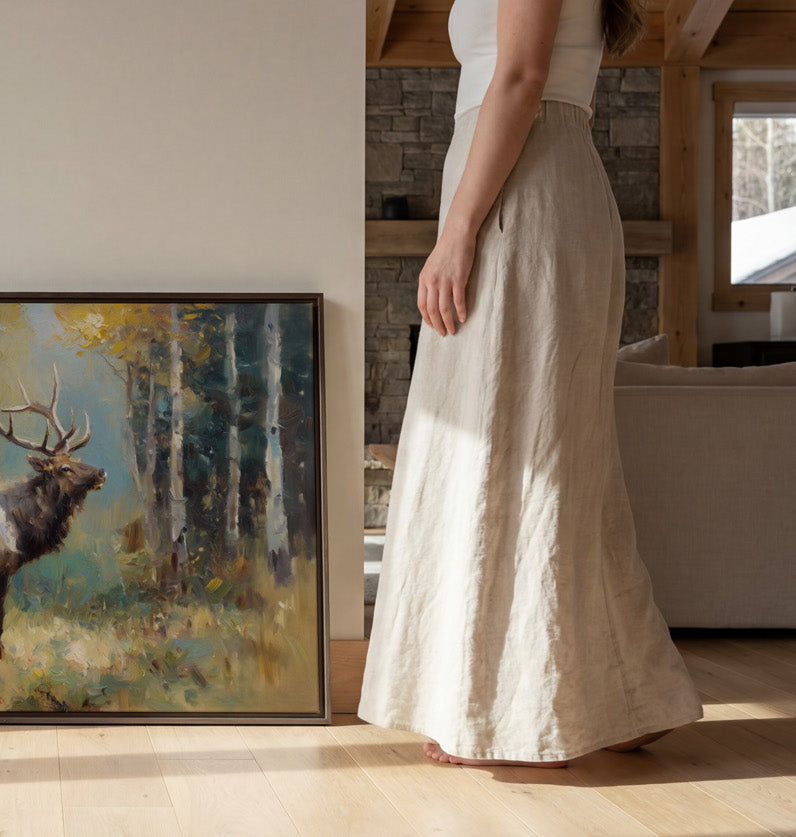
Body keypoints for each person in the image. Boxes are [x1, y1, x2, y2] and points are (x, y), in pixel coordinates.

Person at [356, 0, 705, 768]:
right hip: (531, 184)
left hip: (525, 196)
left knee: (510, 448)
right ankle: (621, 695)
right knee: (542, 450)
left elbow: (518, 77)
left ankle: (497, 706)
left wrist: (455, 232)